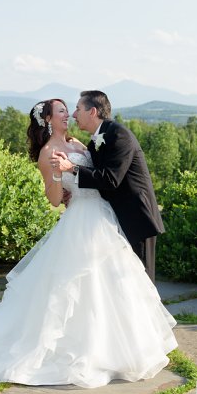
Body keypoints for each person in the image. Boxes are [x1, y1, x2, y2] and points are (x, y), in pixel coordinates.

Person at [0, 98, 177, 389]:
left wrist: (75, 178)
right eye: (63, 111)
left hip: (103, 217)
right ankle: (80, 351)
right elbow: (53, 198)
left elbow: (99, 177)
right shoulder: (48, 152)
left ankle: (116, 346)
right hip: (81, 223)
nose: (69, 116)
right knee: (78, 285)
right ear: (48, 119)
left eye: (71, 110)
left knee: (111, 281)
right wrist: (60, 178)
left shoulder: (78, 143)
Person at [52, 90, 164, 281]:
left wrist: (72, 168)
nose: (73, 115)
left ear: (92, 112)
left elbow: (111, 179)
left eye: (78, 109)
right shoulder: (96, 139)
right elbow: (97, 177)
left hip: (136, 218)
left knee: (142, 283)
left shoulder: (119, 136)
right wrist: (74, 191)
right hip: (113, 219)